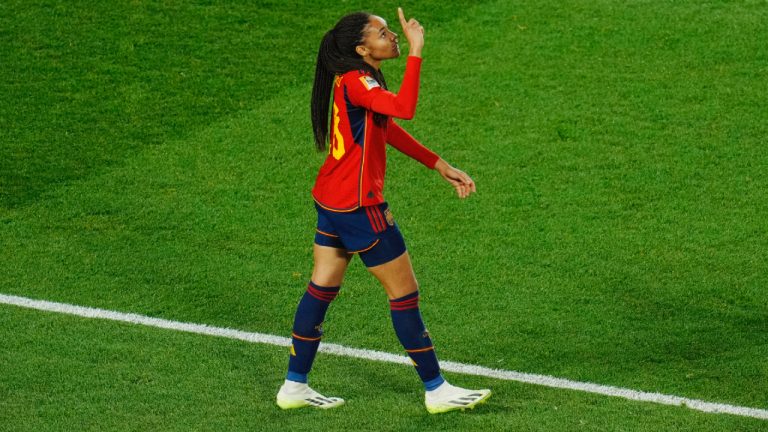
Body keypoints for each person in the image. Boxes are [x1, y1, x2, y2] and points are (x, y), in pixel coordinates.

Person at [276, 7, 491, 414]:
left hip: (331, 198)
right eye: (382, 33)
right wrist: (416, 50)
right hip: (360, 206)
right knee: (404, 295)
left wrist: (438, 164)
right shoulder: (358, 81)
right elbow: (404, 108)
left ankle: (294, 386)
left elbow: (386, 126)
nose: (392, 36)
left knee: (322, 289)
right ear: (362, 48)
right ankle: (436, 388)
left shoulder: (357, 80)